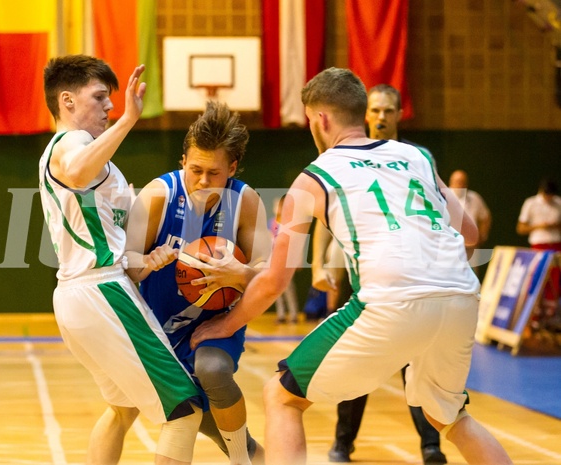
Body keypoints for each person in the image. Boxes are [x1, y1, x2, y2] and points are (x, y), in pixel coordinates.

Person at [191, 67, 513, 465]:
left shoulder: (314, 177)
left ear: (320, 120)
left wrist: (224, 324)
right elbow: (469, 233)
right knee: (448, 415)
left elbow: (275, 280)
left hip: (391, 300)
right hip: (461, 295)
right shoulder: (417, 156)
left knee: (281, 395)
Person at [38, 55, 203, 465]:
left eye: (111, 100)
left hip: (86, 292)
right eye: (100, 97)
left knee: (123, 408)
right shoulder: (70, 143)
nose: (110, 107)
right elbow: (76, 172)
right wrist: (129, 119)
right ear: (67, 101)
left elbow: (122, 255)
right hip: (101, 291)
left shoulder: (97, 160)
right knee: (185, 410)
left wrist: (150, 260)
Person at [125, 101, 272, 465]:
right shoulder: (159, 196)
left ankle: (242, 459)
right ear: (182, 162)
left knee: (213, 371)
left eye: (214, 173)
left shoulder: (245, 201)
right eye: (195, 170)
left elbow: (269, 274)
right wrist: (146, 262)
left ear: (233, 168)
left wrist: (239, 275)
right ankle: (250, 452)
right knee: (193, 417)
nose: (203, 181)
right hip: (159, 329)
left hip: (216, 324)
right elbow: (124, 265)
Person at [311, 83, 448, 464]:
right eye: (375, 110)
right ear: (364, 114)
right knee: (354, 365)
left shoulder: (416, 157)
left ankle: (431, 446)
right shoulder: (343, 156)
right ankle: (342, 443)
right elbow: (324, 210)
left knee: (418, 368)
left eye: (389, 110)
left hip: (411, 276)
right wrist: (320, 264)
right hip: (362, 276)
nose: (382, 116)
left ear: (400, 114)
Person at [517, 177, 561, 327]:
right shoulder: (531, 203)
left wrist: (555, 226)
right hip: (538, 245)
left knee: (555, 279)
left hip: (556, 245)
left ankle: (550, 316)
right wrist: (539, 226)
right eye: (546, 194)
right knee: (537, 277)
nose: (549, 198)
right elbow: (521, 228)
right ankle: (533, 314)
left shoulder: (558, 203)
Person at [269, 195, 300, 323]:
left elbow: (296, 243)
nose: (279, 208)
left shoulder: (291, 223)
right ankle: (281, 315)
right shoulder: (271, 223)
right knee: (276, 289)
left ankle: (293, 314)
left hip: (287, 259)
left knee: (288, 289)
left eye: (282, 206)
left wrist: (297, 260)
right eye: (278, 206)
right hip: (274, 259)